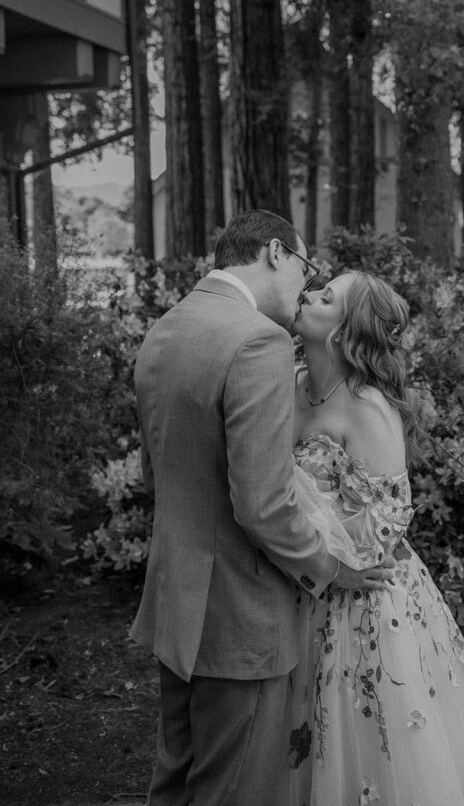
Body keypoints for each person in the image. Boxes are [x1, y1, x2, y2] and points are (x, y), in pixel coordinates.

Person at [130, 211, 393, 806]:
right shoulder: (259, 340)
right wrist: (330, 569)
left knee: (176, 779)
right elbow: (263, 503)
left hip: (177, 599)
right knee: (233, 789)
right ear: (276, 253)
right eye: (307, 267)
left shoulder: (165, 329)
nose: (307, 284)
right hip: (241, 616)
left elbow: (157, 476)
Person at [286, 270, 464, 806]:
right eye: (317, 287)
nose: (308, 294)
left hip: (363, 596)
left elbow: (387, 524)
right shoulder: (289, 382)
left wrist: (317, 545)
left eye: (326, 297)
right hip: (303, 586)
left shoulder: (367, 409)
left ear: (344, 331)